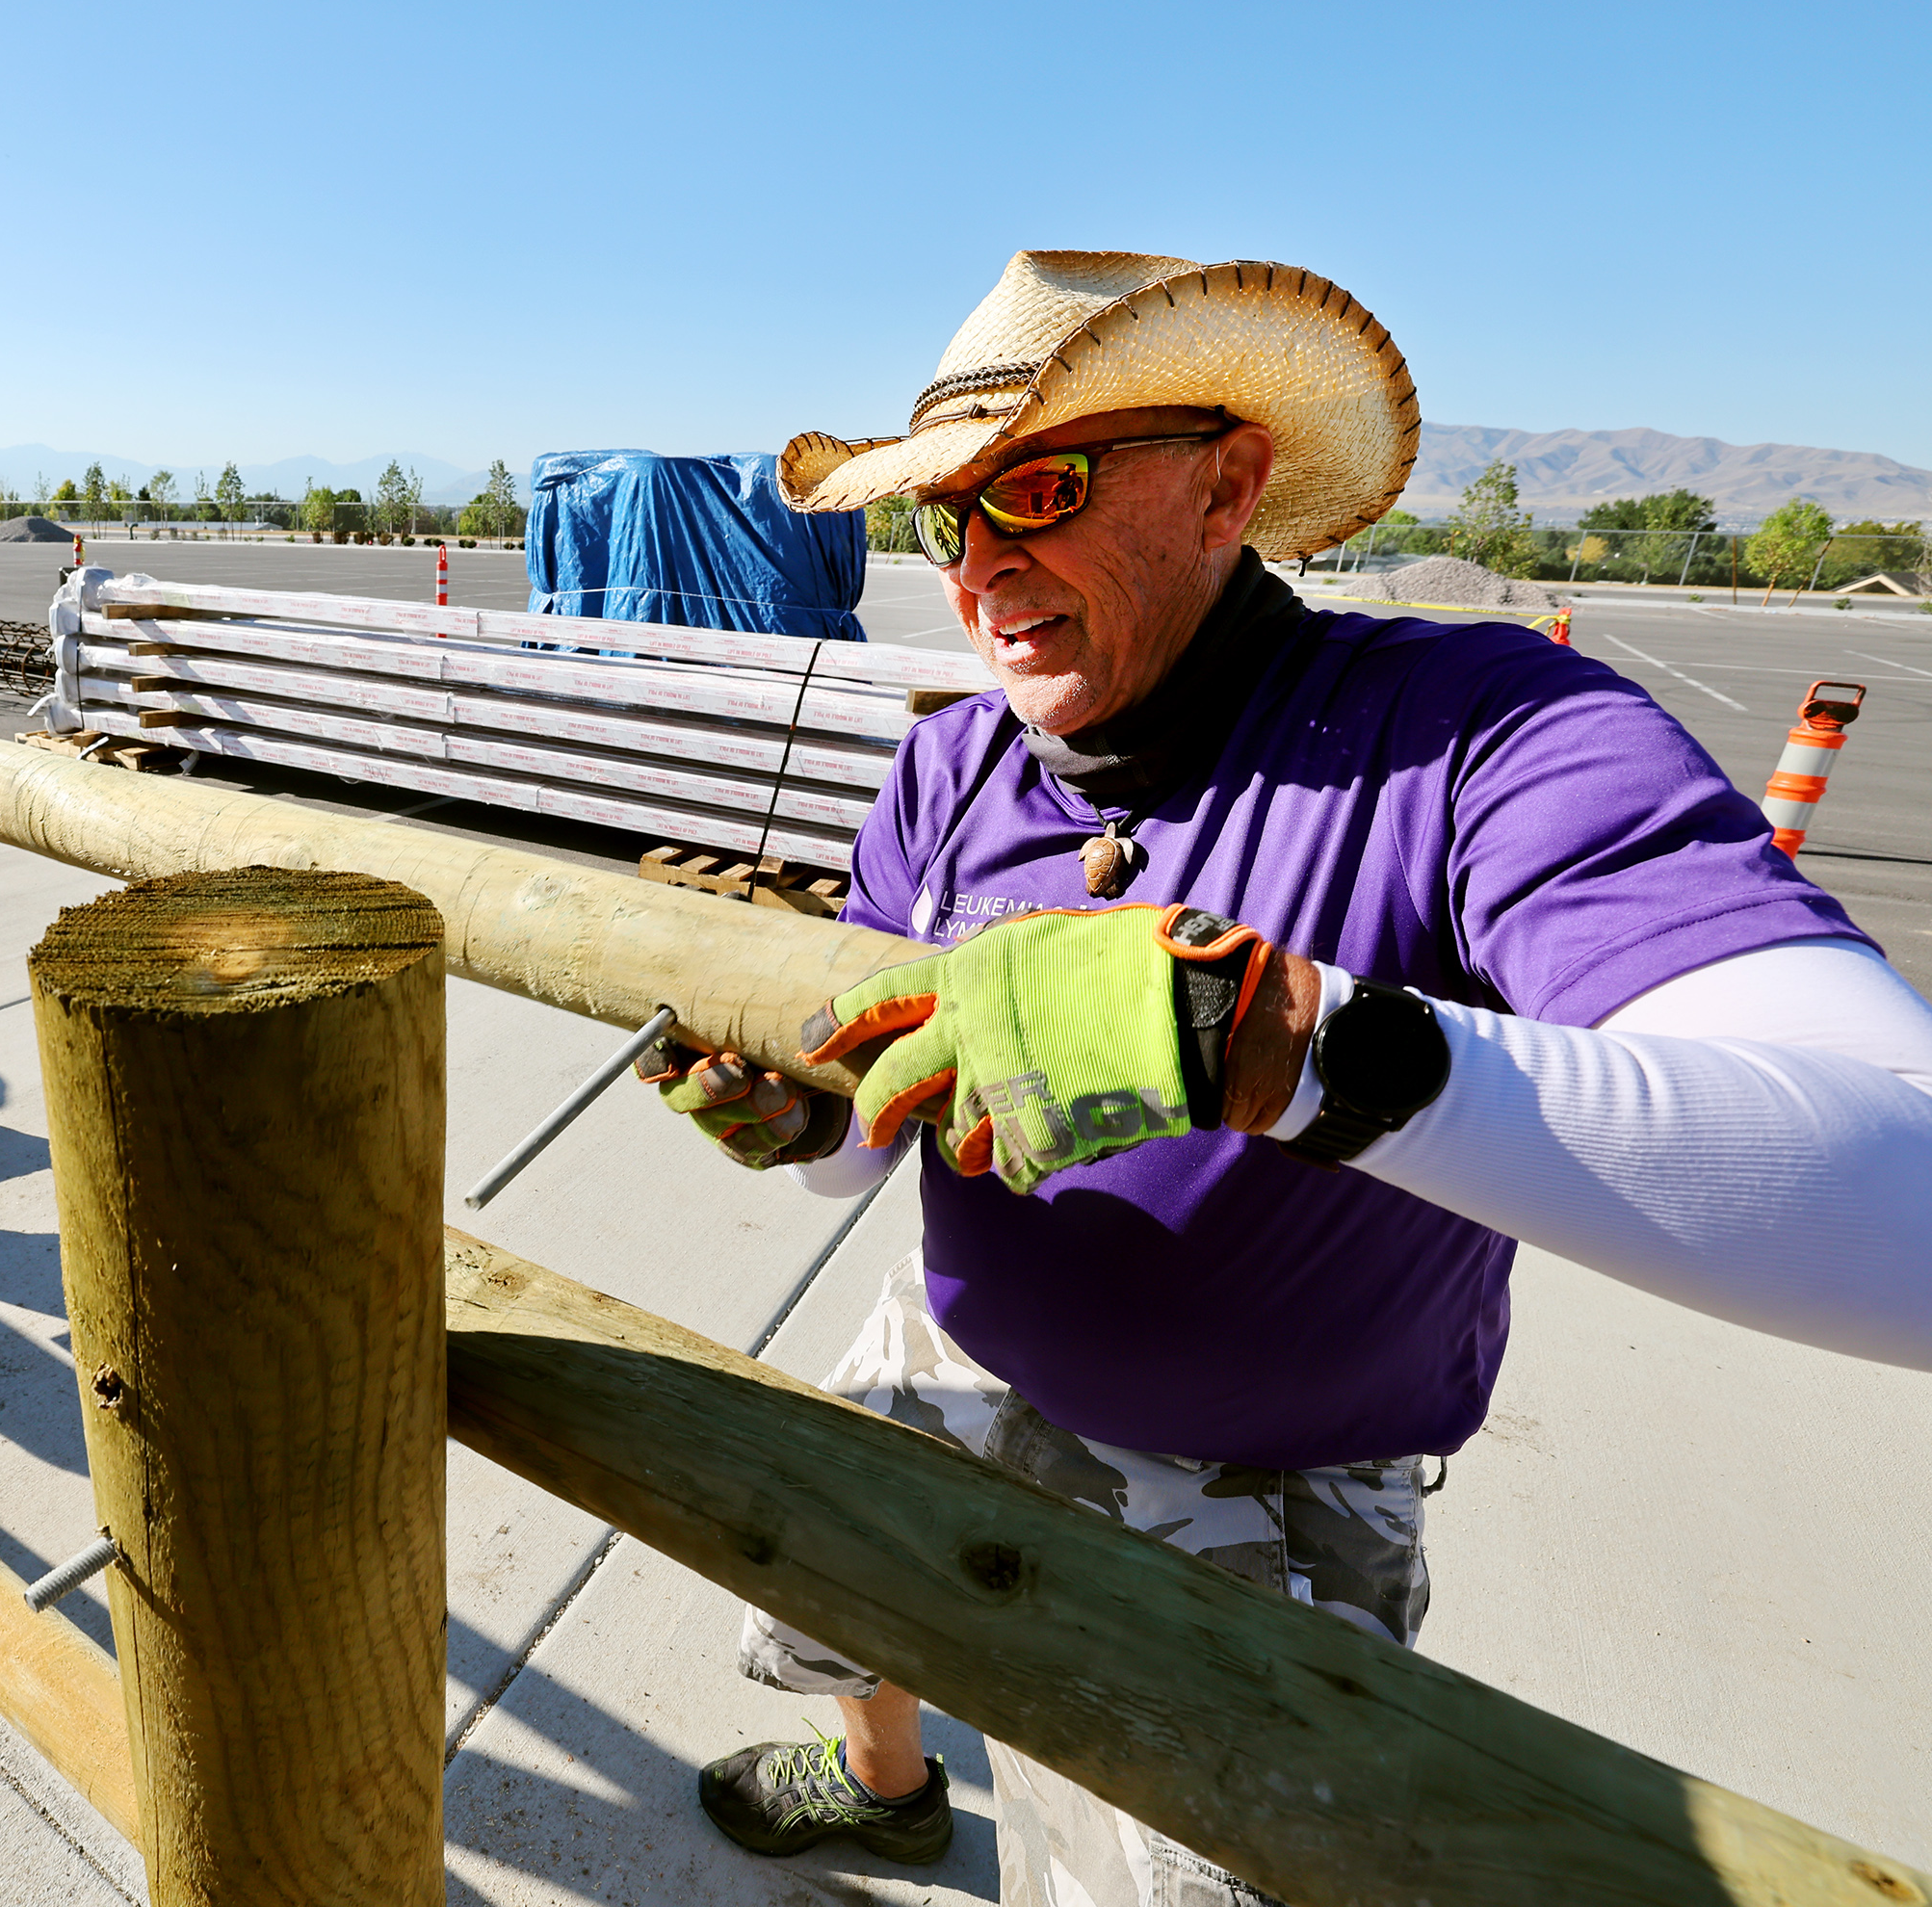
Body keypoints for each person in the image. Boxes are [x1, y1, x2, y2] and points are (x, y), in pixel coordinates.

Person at [647, 250, 1932, 1902]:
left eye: (1035, 488)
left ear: (1227, 485)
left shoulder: (1479, 735)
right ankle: (885, 1786)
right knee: (830, 1587)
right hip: (957, 1351)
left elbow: (1900, 1178)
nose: (984, 567)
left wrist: (1271, 1042)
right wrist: (802, 1117)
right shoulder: (950, 765)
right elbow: (866, 1137)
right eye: (944, 521)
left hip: (1269, 1479)